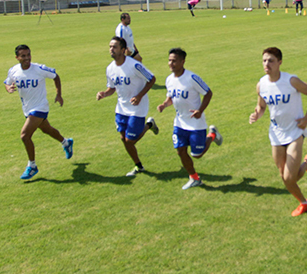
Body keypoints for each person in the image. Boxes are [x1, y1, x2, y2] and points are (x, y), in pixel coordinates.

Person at [249, 47, 307, 216]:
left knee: (288, 179)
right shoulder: (261, 84)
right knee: (285, 176)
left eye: (271, 60)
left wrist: (306, 118)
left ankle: (304, 203)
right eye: (264, 60)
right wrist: (257, 114)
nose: (267, 64)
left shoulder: (291, 81)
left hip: (295, 131)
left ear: (280, 62)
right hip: (276, 134)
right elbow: (261, 105)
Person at [156, 48, 223, 190]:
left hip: (196, 123)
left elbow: (208, 93)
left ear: (182, 61)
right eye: (169, 60)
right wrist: (164, 104)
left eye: (174, 61)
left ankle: (212, 135)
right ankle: (194, 178)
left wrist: (200, 110)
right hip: (180, 122)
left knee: (197, 154)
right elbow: (171, 98)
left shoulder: (192, 78)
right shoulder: (169, 79)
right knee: (180, 151)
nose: (171, 63)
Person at [4, 45, 73, 180]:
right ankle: (66, 143)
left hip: (40, 107)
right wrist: (9, 88)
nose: (27, 58)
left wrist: (59, 94)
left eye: (28, 55)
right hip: (27, 109)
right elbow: (7, 83)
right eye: (23, 56)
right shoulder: (13, 71)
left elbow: (55, 76)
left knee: (24, 136)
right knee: (47, 130)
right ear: (17, 57)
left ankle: (32, 166)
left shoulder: (39, 69)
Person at [96, 36, 158, 177]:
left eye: (115, 47)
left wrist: (140, 96)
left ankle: (148, 125)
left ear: (123, 50)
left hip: (138, 107)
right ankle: (139, 166)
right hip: (121, 108)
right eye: (110, 46)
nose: (111, 49)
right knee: (123, 139)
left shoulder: (134, 65)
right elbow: (111, 88)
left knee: (130, 141)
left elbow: (152, 79)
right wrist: (104, 94)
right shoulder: (110, 69)